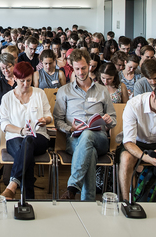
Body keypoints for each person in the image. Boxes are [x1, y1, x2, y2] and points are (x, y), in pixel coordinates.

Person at [54, 49, 117, 200]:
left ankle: (72, 186)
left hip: (100, 138)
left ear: (89, 66)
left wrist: (109, 121)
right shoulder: (65, 91)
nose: (81, 72)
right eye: (77, 69)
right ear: (72, 68)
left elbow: (113, 120)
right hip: (75, 138)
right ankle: (87, 201)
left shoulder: (102, 91)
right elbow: (57, 120)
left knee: (88, 135)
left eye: (83, 68)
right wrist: (70, 128)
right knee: (90, 153)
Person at [0, 62, 52, 200]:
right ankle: (28, 199)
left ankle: (12, 185)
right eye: (22, 81)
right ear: (15, 78)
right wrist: (21, 131)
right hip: (15, 136)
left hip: (39, 136)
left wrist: (45, 120)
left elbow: (49, 116)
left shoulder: (39, 94)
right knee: (25, 154)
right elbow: (4, 124)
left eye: (29, 80)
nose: (26, 84)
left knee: (28, 142)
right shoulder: (7, 98)